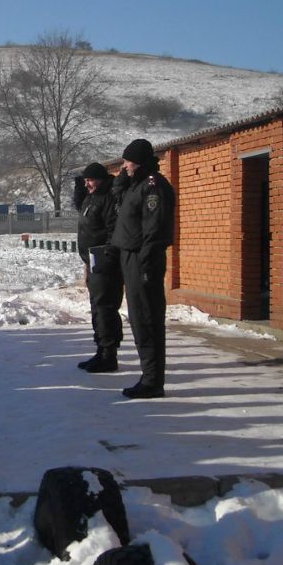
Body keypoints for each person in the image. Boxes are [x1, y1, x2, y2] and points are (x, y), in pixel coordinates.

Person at [110, 138, 176, 399]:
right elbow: (118, 200)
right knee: (139, 320)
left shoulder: (153, 187)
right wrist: (123, 180)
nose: (123, 166)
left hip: (142, 260)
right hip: (131, 258)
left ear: (138, 162)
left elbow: (155, 229)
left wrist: (146, 265)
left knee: (147, 320)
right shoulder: (135, 185)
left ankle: (152, 381)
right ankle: (148, 377)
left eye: (127, 162)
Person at [72, 162, 125, 373]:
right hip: (92, 261)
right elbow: (80, 206)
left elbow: (114, 229)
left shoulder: (110, 198)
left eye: (90, 180)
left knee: (105, 308)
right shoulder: (92, 197)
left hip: (104, 262)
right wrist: (79, 184)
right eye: (85, 181)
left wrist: (109, 256)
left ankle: (109, 354)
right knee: (97, 307)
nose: (87, 184)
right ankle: (100, 350)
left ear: (101, 179)